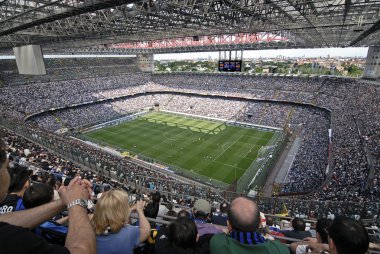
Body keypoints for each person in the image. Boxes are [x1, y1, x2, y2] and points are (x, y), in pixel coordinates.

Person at [0, 139, 96, 254]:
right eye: (6, 167)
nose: (10, 173)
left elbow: (5, 223)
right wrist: (77, 204)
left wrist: (64, 201)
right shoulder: (14, 242)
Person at [210, 197, 289, 254]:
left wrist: (226, 231)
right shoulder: (280, 249)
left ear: (229, 225)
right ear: (260, 223)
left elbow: (219, 236)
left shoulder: (217, 242)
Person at [92, 189, 151, 254]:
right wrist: (140, 211)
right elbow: (146, 230)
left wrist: (129, 210)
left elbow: (111, 214)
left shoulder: (89, 230)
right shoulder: (128, 233)